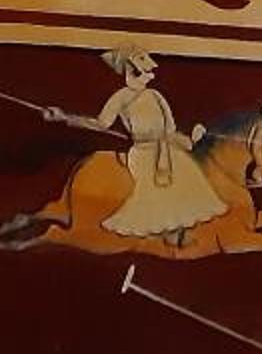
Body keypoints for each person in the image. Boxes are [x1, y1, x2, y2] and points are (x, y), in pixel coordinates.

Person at [52, 49, 226, 248]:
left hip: (166, 148)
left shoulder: (155, 95)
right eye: (138, 72)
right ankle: (162, 231)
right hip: (143, 151)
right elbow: (101, 123)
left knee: (188, 174)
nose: (143, 76)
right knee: (153, 184)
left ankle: (177, 229)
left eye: (145, 72)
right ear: (128, 72)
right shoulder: (120, 98)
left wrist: (190, 141)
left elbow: (170, 129)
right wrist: (65, 117)